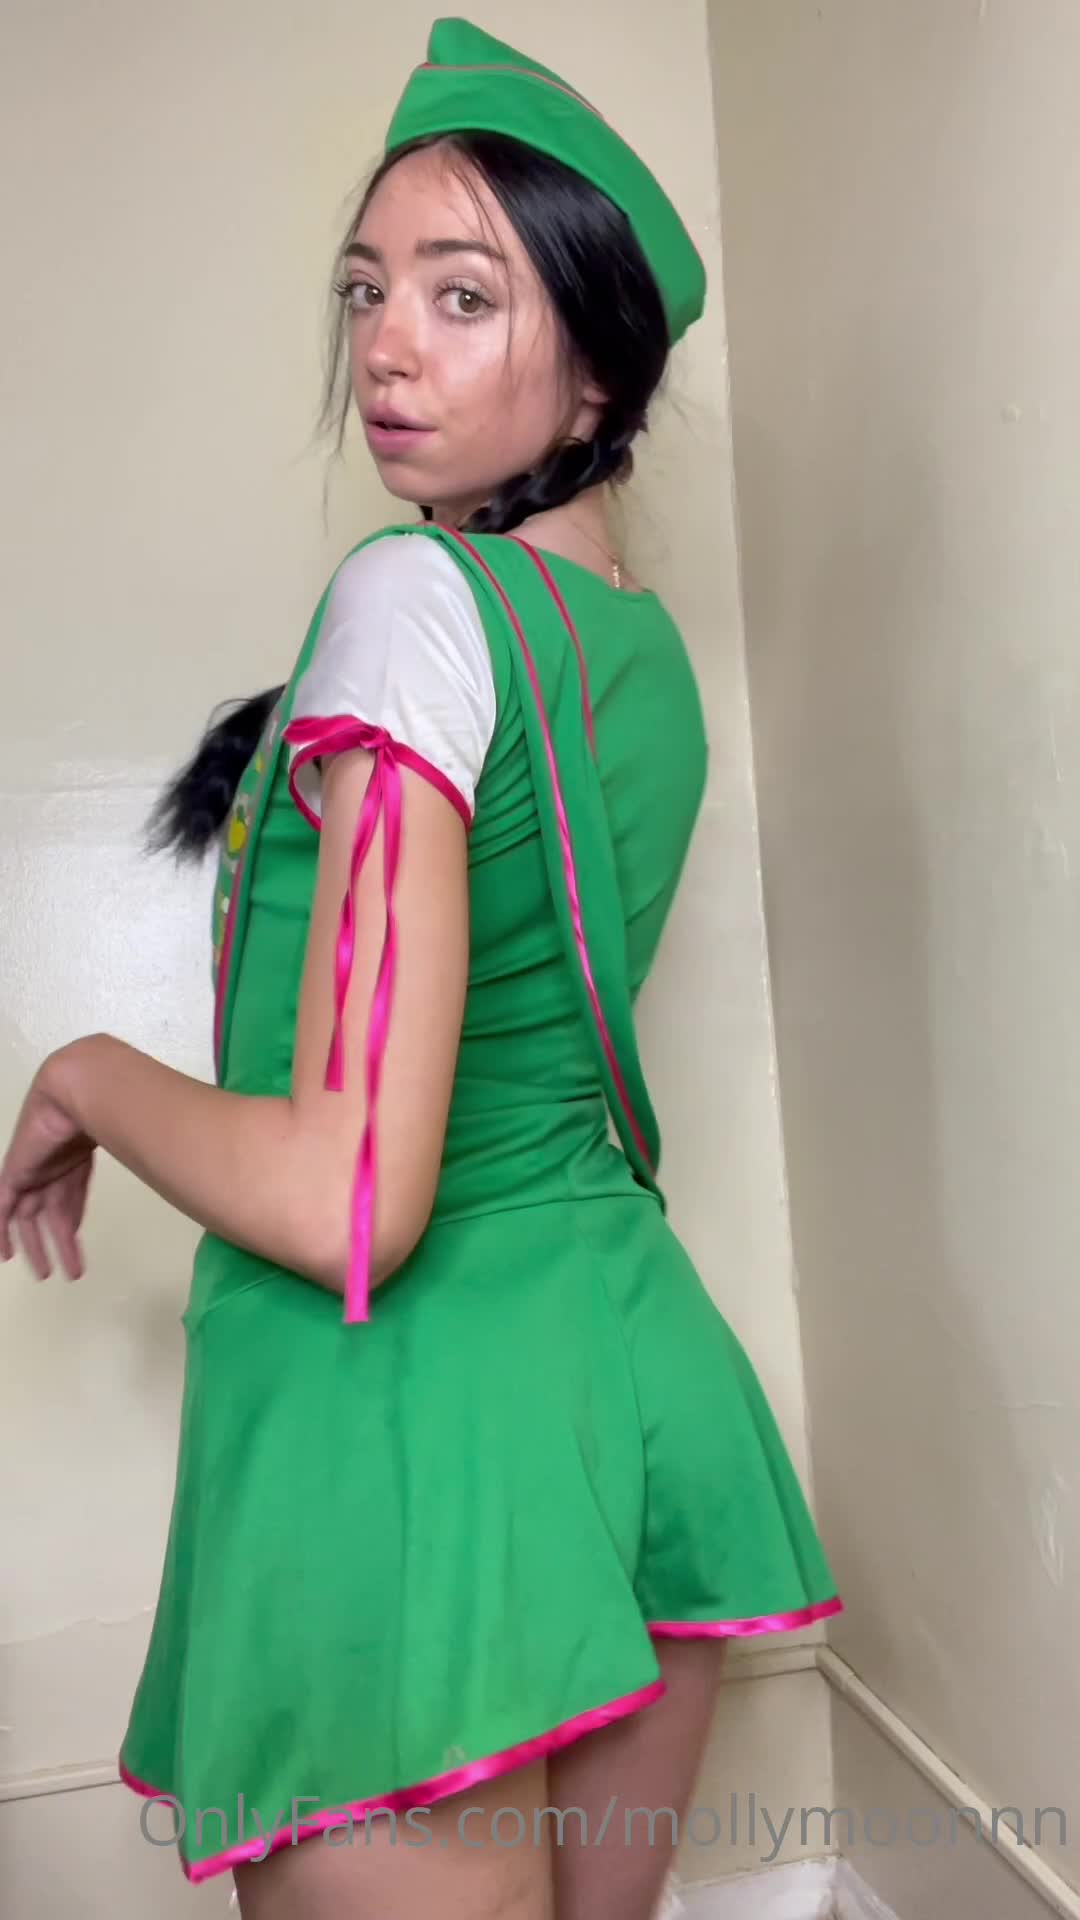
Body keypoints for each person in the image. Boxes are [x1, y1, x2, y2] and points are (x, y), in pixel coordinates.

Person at [0, 17, 842, 1919]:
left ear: (600, 363)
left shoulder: (414, 601)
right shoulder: (645, 661)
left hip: (410, 1437)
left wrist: (82, 1077)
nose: (386, 345)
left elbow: (349, 1197)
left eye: (464, 296)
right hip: (624, 1375)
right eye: (367, 289)